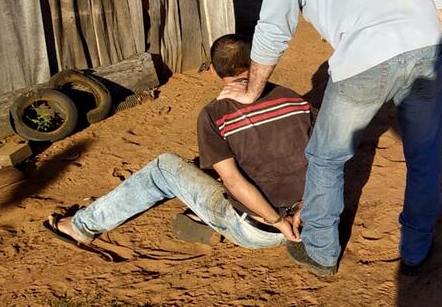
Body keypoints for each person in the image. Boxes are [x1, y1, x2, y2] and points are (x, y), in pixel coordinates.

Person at [219, 0, 442, 277]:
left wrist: (252, 89)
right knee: (424, 156)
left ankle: (322, 252)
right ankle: (415, 250)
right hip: (426, 43)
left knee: (326, 156)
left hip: (364, 56)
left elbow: (274, 29)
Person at [44, 34, 312, 257]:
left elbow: (233, 182)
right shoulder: (293, 98)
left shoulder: (214, 114)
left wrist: (277, 221)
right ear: (254, 63)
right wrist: (301, 210)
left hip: (261, 231)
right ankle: (199, 219)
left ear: (213, 71)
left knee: (165, 167)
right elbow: (328, 157)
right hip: (309, 220)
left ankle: (80, 226)